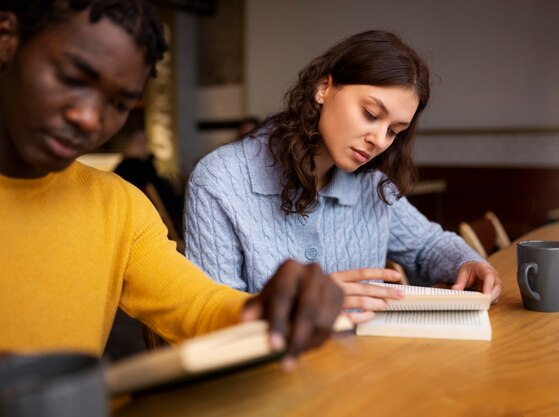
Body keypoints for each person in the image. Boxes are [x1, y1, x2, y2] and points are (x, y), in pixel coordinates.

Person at [0, 0, 355, 366]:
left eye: (120, 103)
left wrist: (264, 310)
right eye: (72, 79)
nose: (89, 119)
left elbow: (197, 308)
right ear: (6, 39)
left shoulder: (117, 206)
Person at [184, 30, 503, 311]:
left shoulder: (372, 186)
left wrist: (468, 261)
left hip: (364, 364)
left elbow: (428, 246)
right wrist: (301, 303)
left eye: (395, 131)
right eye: (370, 114)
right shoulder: (220, 180)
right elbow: (210, 315)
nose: (379, 140)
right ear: (324, 87)